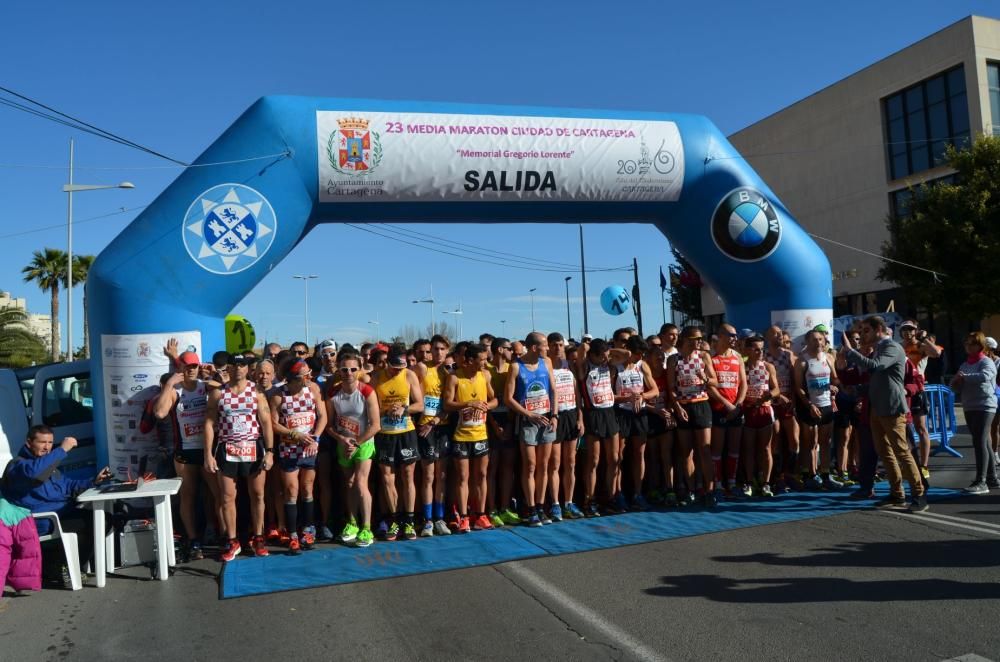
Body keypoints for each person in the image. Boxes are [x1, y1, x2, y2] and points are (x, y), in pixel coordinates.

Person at [842, 316, 927, 512]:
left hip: (891, 407)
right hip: (877, 408)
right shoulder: (879, 349)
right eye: (861, 331)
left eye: (866, 331)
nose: (863, 335)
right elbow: (876, 379)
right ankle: (897, 493)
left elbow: (877, 366)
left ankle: (919, 493)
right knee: (885, 452)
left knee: (902, 452)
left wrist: (850, 352)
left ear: (878, 329)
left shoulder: (891, 347)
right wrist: (856, 390)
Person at [151, 340, 221, 560]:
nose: (191, 369)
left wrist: (216, 374)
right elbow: (160, 413)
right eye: (187, 366)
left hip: (207, 449)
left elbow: (229, 391)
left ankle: (216, 530)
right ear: (180, 368)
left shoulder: (205, 385)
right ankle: (194, 540)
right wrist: (169, 384)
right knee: (188, 497)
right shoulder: (175, 390)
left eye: (194, 366)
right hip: (185, 451)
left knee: (216, 494)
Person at [204, 353, 275, 561]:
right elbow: (208, 424)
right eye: (234, 365)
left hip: (253, 446)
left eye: (242, 365)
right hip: (228, 448)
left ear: (247, 369)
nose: (238, 369)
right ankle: (232, 541)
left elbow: (266, 422)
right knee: (227, 498)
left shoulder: (257, 392)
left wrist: (270, 452)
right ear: (229, 369)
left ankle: (259, 538)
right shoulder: (218, 393)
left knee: (258, 495)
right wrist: (208, 454)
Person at [269, 360, 326, 554]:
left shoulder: (313, 389)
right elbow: (273, 424)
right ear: (294, 378)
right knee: (291, 490)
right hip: (289, 448)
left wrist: (316, 438)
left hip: (309, 447)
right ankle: (292, 534)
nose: (309, 377)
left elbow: (323, 416)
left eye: (309, 373)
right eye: (305, 375)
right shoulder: (279, 395)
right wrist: (294, 434)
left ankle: (308, 531)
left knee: (307, 488)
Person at [326, 351, 380, 547]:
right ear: (339, 370)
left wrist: (356, 442)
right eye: (344, 369)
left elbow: (375, 425)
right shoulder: (333, 393)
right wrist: (342, 439)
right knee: (348, 483)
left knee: (360, 482)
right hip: (344, 442)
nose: (348, 373)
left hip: (364, 442)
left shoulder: (367, 392)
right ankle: (352, 523)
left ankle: (367, 528)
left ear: (359, 370)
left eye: (353, 369)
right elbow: (329, 424)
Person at [506, 333, 559, 526]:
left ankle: (540, 505)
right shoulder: (516, 367)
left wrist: (554, 415)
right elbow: (508, 398)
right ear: (535, 348)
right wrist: (528, 414)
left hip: (546, 417)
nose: (548, 349)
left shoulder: (547, 363)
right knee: (530, 465)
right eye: (545, 346)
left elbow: (553, 390)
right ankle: (530, 508)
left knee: (544, 465)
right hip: (528, 420)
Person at [372, 345, 424, 541]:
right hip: (385, 433)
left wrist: (404, 408)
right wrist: (386, 412)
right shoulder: (376, 378)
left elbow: (420, 405)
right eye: (394, 367)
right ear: (387, 362)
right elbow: (372, 410)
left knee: (408, 475)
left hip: (406, 432)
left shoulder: (409, 375)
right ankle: (394, 519)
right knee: (387, 478)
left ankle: (409, 520)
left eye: (401, 367)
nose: (398, 371)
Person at [444, 343, 498, 532]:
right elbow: (447, 404)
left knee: (482, 475)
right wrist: (467, 403)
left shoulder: (485, 375)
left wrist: (486, 406)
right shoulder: (454, 378)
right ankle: (464, 516)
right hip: (461, 435)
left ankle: (480, 515)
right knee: (463, 478)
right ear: (470, 360)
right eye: (482, 359)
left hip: (481, 434)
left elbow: (495, 399)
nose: (485, 362)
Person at [666, 326, 719, 506]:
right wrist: (677, 407)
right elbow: (671, 388)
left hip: (701, 404)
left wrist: (704, 378)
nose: (698, 341)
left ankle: (710, 490)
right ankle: (691, 490)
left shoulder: (703, 356)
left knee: (704, 450)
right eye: (695, 339)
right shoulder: (674, 360)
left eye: (699, 338)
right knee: (686, 452)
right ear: (686, 339)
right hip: (684, 407)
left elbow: (715, 382)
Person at [611, 335, 657, 511]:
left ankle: (638, 494)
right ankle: (618, 494)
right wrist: (627, 398)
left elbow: (655, 390)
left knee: (639, 454)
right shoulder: (615, 367)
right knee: (619, 456)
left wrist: (641, 396)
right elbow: (608, 396)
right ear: (629, 351)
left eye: (642, 354)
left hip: (639, 413)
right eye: (638, 353)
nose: (641, 357)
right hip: (621, 412)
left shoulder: (642, 365)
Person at [793, 329, 843, 490]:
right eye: (814, 340)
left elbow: (835, 378)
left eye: (821, 339)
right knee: (810, 443)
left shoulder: (828, 357)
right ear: (807, 342)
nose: (818, 343)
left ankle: (826, 475)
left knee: (826, 442)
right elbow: (798, 388)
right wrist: (809, 405)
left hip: (827, 404)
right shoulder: (801, 361)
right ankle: (810, 475)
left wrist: (835, 386)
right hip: (810, 406)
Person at [950, 332, 999, 494]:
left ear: (981, 346)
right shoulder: (965, 364)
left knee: (979, 441)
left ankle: (981, 481)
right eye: (967, 343)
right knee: (983, 442)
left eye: (973, 343)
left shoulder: (987, 362)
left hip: (985, 406)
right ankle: (992, 478)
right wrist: (956, 382)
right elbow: (955, 383)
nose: (969, 347)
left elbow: (985, 376)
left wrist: (965, 377)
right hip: (970, 406)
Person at [414, 334, 453, 536]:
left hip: (442, 427)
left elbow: (449, 404)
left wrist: (437, 419)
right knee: (428, 475)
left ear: (447, 351)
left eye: (441, 349)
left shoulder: (449, 374)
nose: (437, 353)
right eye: (434, 349)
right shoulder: (422, 368)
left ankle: (439, 518)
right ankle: (427, 520)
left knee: (442, 476)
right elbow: (413, 395)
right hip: (424, 427)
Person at [575, 338, 618, 517]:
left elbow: (627, 354)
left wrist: (607, 352)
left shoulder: (609, 365)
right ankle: (589, 500)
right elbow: (581, 352)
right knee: (593, 460)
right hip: (592, 414)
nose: (605, 359)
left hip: (609, 412)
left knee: (614, 459)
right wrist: (589, 346)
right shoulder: (585, 367)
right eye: (601, 356)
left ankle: (610, 497)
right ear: (593, 355)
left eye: (606, 356)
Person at [548, 332, 585, 520]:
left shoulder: (569, 366)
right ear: (548, 347)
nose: (557, 348)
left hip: (571, 414)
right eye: (553, 345)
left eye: (560, 345)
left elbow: (578, 394)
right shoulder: (546, 367)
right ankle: (555, 504)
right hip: (555, 416)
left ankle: (568, 502)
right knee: (554, 463)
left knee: (570, 463)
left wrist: (580, 418)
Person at [708, 325, 748, 499]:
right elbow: (709, 387)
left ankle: (731, 483)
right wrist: (726, 404)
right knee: (716, 450)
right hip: (718, 409)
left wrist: (738, 405)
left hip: (736, 409)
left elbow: (743, 383)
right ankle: (717, 485)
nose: (734, 338)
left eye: (735, 335)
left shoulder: (737, 356)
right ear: (721, 336)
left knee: (734, 449)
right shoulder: (710, 357)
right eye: (731, 335)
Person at [899, 321, 940, 478]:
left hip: (918, 390)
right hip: (902, 390)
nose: (907, 332)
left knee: (921, 428)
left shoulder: (921, 346)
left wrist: (925, 339)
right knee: (903, 430)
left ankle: (924, 465)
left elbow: (936, 353)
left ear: (916, 330)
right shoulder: (898, 346)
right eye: (904, 329)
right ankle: (908, 464)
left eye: (910, 329)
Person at [487, 338, 520, 526]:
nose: (512, 353)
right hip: (490, 423)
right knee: (492, 468)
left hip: (509, 421)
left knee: (508, 467)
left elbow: (515, 398)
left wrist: (509, 423)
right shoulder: (485, 371)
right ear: (500, 350)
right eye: (509, 349)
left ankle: (505, 507)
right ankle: (491, 509)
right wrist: (494, 426)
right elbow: (485, 401)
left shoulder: (512, 369)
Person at [741, 336, 779, 496]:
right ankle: (749, 482)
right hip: (748, 411)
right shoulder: (742, 366)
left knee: (766, 449)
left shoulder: (768, 366)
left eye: (762, 349)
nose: (760, 352)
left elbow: (776, 389)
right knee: (749, 449)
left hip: (764, 411)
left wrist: (767, 396)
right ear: (748, 350)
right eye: (756, 349)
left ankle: (766, 483)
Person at [765, 325, 799, 492]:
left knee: (794, 438)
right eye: (775, 334)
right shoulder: (764, 356)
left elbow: (795, 379)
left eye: (780, 333)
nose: (779, 336)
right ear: (768, 338)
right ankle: (776, 477)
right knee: (775, 440)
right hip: (772, 403)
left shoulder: (788, 355)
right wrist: (776, 397)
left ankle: (790, 474)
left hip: (788, 402)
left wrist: (792, 397)